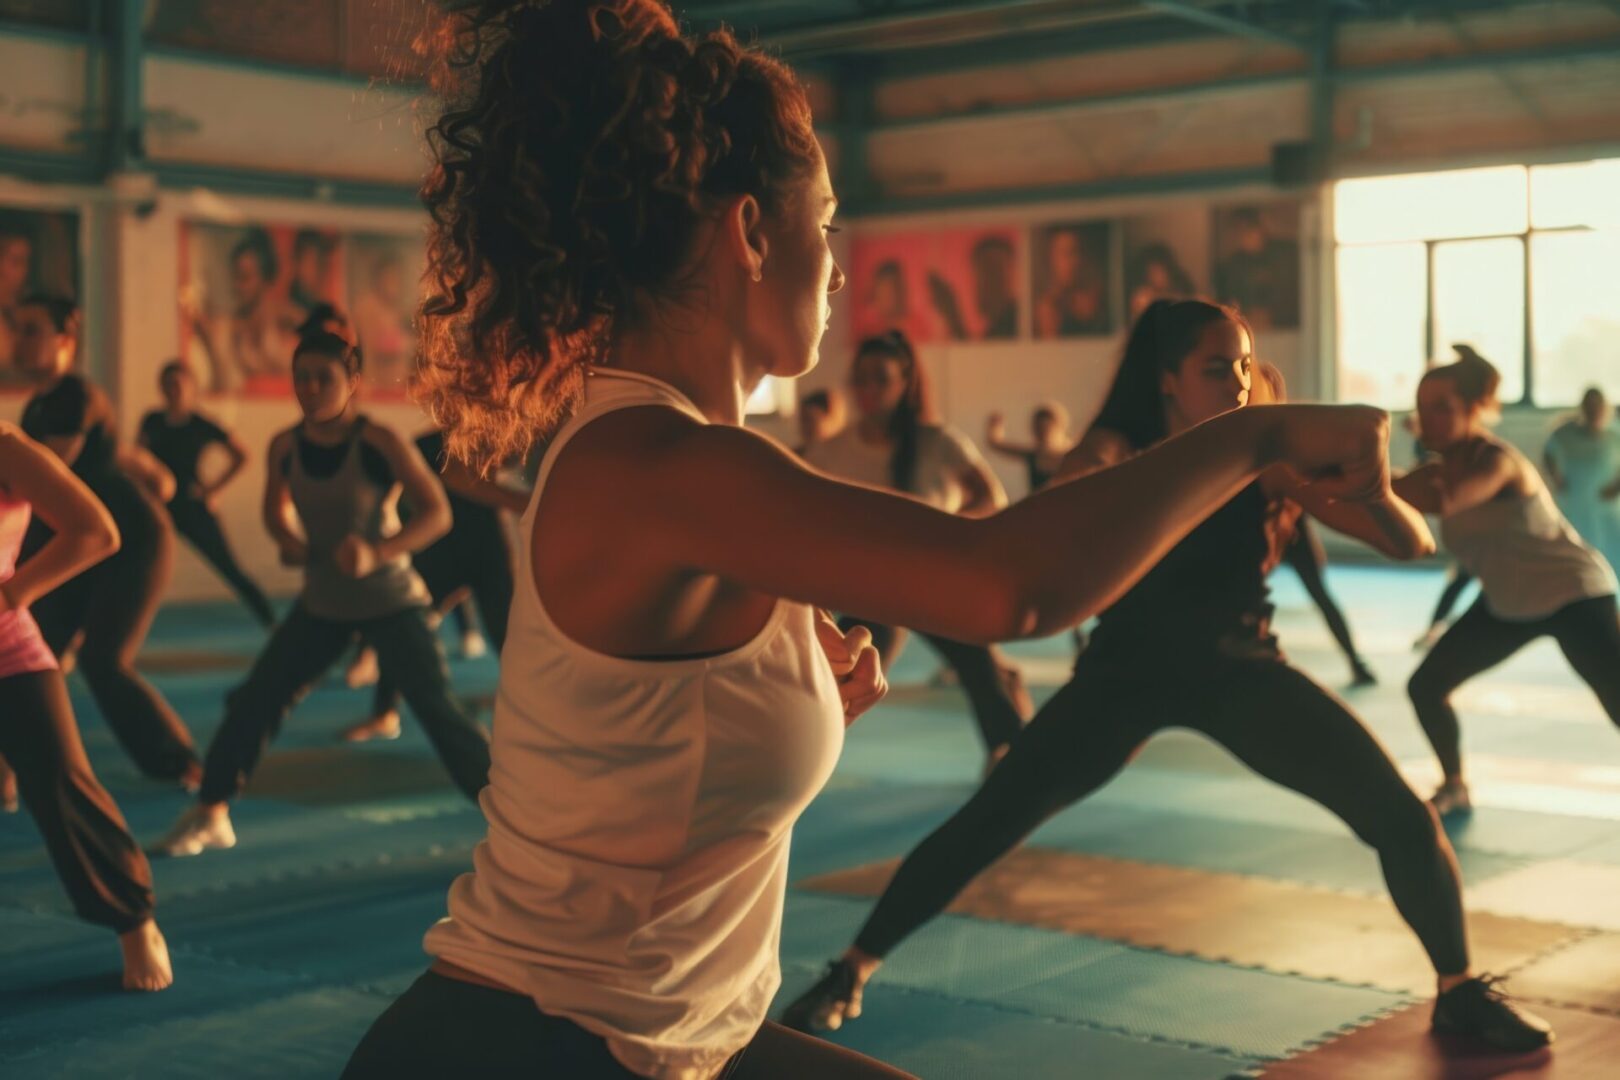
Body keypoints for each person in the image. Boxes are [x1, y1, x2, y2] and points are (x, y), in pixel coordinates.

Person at [341, 4, 1401, 1077]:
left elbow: (652, 735)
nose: (840, 270)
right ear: (753, 233)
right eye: (830, 224)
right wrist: (1255, 432)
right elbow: (1006, 585)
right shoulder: (664, 465)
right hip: (524, 1046)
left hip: (666, 1040)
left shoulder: (691, 459)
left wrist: (785, 688)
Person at [783, 298, 1552, 1054]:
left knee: (1401, 817)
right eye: (1217, 368)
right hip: (1123, 678)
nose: (1241, 384)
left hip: (1241, 672)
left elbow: (1412, 547)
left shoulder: (1270, 461)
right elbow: (1068, 501)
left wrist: (1375, 490)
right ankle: (850, 969)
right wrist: (1090, 470)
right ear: (1168, 381)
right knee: (990, 820)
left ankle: (1458, 991)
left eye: (1246, 366)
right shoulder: (1121, 450)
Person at [152, 332, 491, 857]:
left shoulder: (379, 441)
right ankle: (212, 811)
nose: (310, 388)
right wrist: (290, 542)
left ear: (352, 383)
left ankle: (518, 828)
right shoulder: (285, 446)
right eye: (301, 378)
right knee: (256, 700)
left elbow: (437, 515)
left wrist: (379, 552)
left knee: (439, 713)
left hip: (392, 600)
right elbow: (274, 509)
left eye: (323, 378)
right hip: (323, 604)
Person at [1400, 354, 1620, 818]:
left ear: (1472, 408)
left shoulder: (1497, 461)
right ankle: (1454, 785)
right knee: (1426, 686)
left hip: (1574, 595)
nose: (1428, 419)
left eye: (1442, 406)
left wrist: (1357, 472)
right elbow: (1396, 493)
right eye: (1422, 408)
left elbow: (1446, 500)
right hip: (1507, 602)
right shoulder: (1438, 469)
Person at [0, 423, 173, 991]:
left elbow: (95, 532)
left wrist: (11, 594)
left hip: (8, 652)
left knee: (63, 788)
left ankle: (133, 921)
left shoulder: (7, 448)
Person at [805, 332, 1031, 767]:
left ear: (904, 381)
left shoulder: (936, 443)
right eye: (861, 380)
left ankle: (1007, 753)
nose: (868, 390)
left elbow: (992, 499)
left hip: (933, 585)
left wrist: (944, 531)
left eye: (880, 379)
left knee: (980, 672)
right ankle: (800, 755)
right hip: (870, 592)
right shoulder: (833, 452)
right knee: (844, 675)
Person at [15, 295, 202, 788]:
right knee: (31, 652)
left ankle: (180, 763)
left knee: (103, 660)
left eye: (34, 329)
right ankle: (15, 768)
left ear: (65, 341)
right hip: (81, 550)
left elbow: (46, 484)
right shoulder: (36, 407)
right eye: (19, 329)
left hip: (132, 543)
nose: (21, 340)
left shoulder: (75, 396)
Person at [342, 426, 528, 742]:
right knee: (405, 629)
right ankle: (384, 712)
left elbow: (506, 463)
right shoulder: (426, 444)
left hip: (488, 551)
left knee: (507, 636)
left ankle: (526, 708)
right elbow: (391, 491)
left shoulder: (495, 431)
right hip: (440, 553)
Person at [1252, 364, 1376, 686]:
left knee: (1320, 594)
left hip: (1290, 532)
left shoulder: (1287, 450)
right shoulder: (1238, 452)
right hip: (1260, 533)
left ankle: (1354, 659)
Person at [138, 361, 276, 627]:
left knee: (229, 567)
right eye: (169, 385)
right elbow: (139, 457)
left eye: (179, 384)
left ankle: (270, 621)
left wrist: (214, 490)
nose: (174, 390)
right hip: (157, 506)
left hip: (192, 505)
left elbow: (241, 456)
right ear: (162, 389)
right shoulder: (152, 421)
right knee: (138, 566)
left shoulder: (201, 424)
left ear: (191, 388)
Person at [1543, 386, 1620, 571]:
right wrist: (1557, 478)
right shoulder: (1566, 433)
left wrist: (1617, 486)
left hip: (1605, 504)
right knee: (1577, 550)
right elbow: (1549, 453)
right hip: (1576, 501)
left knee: (1611, 551)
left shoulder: (1614, 433)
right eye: (1590, 406)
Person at [985, 402, 1074, 495]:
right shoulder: (1033, 455)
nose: (1042, 435)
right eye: (1038, 429)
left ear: (1060, 427)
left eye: (1046, 429)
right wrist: (994, 427)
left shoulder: (1073, 454)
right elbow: (996, 444)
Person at [1035, 225, 1108, 337]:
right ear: (1052, 258)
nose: (1074, 261)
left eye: (1078, 252)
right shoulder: (1048, 307)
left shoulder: (1099, 300)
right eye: (1066, 253)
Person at [1127, 240, 1195, 319]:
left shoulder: (1181, 291)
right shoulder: (1142, 299)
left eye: (1159, 271)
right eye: (1153, 271)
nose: (1156, 276)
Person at [794, 387, 846, 457]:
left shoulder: (847, 455)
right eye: (803, 420)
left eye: (809, 420)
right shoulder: (795, 456)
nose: (805, 427)